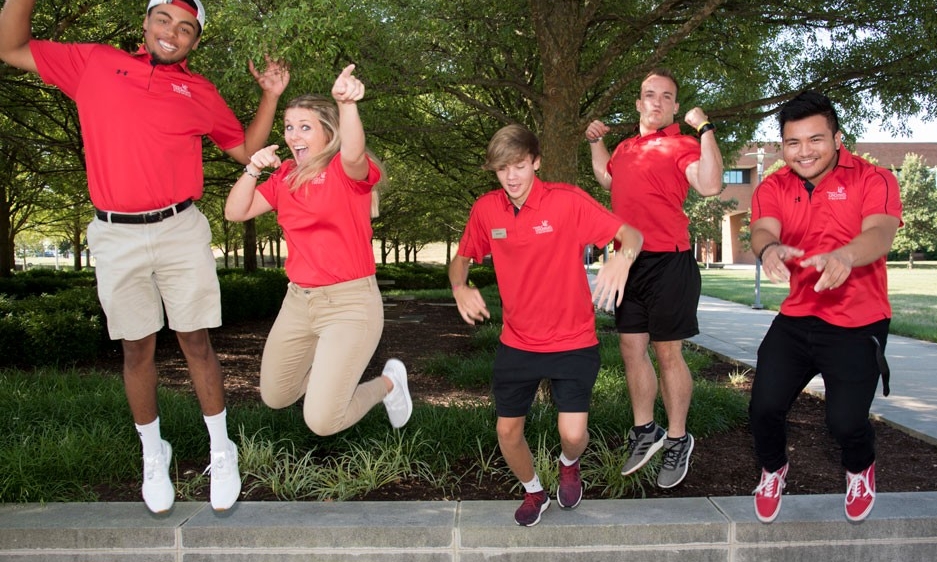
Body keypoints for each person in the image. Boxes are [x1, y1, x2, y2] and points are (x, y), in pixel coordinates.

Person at [0, 0, 290, 513]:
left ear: (194, 41)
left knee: (195, 340)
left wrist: (269, 95)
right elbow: (10, 46)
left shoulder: (198, 91)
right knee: (136, 349)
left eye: (185, 29)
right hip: (116, 235)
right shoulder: (93, 63)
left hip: (180, 227)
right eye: (164, 21)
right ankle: (152, 453)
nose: (172, 34)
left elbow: (246, 150)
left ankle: (222, 449)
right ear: (146, 23)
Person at [449, 123, 643, 527]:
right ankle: (535, 491)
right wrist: (459, 284)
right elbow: (462, 256)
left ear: (536, 162)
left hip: (573, 340)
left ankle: (569, 464)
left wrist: (620, 258)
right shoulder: (486, 210)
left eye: (519, 165)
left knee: (573, 435)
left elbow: (631, 234)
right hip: (517, 343)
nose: (512, 177)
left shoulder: (567, 202)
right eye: (503, 169)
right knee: (507, 432)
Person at [224, 65, 412, 440]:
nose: (294, 135)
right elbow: (235, 212)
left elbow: (356, 154)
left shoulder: (346, 171)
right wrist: (252, 169)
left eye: (305, 126)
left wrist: (347, 104)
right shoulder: (285, 176)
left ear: (328, 131)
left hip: (349, 304)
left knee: (322, 421)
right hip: (298, 302)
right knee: (276, 395)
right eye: (289, 126)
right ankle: (332, 381)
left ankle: (388, 384)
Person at [748, 91, 902, 524]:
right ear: (782, 145)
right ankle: (774, 468)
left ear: (837, 138)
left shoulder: (875, 179)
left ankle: (859, 468)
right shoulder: (775, 184)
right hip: (798, 317)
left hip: (858, 320)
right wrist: (770, 249)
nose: (804, 152)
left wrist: (845, 257)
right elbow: (761, 228)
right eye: (792, 143)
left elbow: (881, 233)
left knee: (845, 423)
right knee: (763, 408)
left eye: (815, 140)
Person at [584, 68, 724, 489]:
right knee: (630, 348)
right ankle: (646, 431)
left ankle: (679, 438)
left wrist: (706, 129)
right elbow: (607, 178)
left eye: (666, 96)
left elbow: (712, 184)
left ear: (676, 107)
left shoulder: (683, 144)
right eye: (649, 94)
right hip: (628, 262)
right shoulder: (626, 148)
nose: (657, 101)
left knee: (667, 353)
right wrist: (596, 142)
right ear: (639, 103)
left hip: (669, 262)